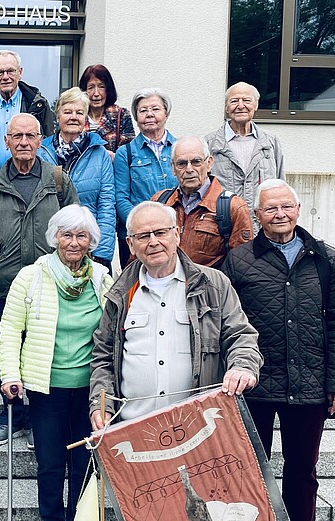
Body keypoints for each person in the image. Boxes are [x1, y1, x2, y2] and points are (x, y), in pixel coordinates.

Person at [222, 180, 335, 521]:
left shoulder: (324, 259)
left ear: (298, 209)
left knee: (302, 470)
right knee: (248, 467)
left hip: (310, 382)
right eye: (270, 209)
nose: (279, 214)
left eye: (286, 207)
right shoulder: (240, 260)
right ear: (258, 214)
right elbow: (227, 323)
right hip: (255, 384)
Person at [0, 204, 113, 521]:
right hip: (46, 386)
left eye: (81, 235)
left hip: (91, 389)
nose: (74, 242)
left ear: (92, 240)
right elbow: (10, 329)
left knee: (84, 461)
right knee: (49, 461)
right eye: (67, 234)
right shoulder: (32, 276)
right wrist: (10, 375)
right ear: (55, 238)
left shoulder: (103, 278)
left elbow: (114, 332)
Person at [88, 201, 261, 429]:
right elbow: (103, 356)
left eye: (160, 232)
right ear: (130, 244)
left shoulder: (213, 284)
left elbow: (241, 336)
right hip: (134, 429)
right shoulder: (119, 293)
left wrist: (242, 366)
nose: (153, 242)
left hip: (199, 428)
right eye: (143, 236)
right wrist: (101, 404)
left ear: (177, 234)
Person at [0, 113, 79, 447]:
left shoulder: (57, 180)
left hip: (51, 284)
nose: (22, 142)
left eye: (29, 136)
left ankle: (39, 420)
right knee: (10, 351)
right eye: (16, 136)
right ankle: (11, 416)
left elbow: (76, 226)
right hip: (4, 285)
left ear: (39, 140)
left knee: (45, 351)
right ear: (6, 142)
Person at [37, 87, 115, 272]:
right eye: (67, 112)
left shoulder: (99, 153)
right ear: (58, 116)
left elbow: (106, 204)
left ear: (86, 118)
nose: (73, 117)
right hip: (50, 245)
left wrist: (101, 251)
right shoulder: (41, 151)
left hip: (87, 245)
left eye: (79, 112)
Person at [151, 136, 252, 268]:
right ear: (173, 168)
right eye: (181, 163)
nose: (189, 169)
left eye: (196, 162)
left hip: (208, 286)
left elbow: (242, 267)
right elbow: (139, 257)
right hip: (163, 286)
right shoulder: (159, 203)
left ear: (209, 163)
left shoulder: (233, 208)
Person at [0, 49, 53, 194]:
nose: (5, 77)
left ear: (20, 72)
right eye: (0, 72)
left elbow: (48, 148)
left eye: (10, 71)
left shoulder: (38, 105)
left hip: (31, 182)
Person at [113, 87, 179, 267]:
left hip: (174, 233)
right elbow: (121, 198)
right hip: (139, 237)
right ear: (135, 117)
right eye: (143, 110)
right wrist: (140, 226)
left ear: (166, 113)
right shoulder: (125, 153)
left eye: (155, 109)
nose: (149, 114)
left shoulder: (179, 149)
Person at [205, 82, 284, 211]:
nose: (240, 106)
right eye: (234, 101)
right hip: (223, 223)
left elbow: (281, 186)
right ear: (226, 107)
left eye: (246, 100)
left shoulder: (270, 143)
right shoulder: (210, 144)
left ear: (256, 105)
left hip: (261, 224)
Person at [79, 64, 135, 153]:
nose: (96, 93)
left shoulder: (121, 115)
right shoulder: (77, 115)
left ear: (108, 89)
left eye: (101, 86)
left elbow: (128, 152)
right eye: (91, 87)